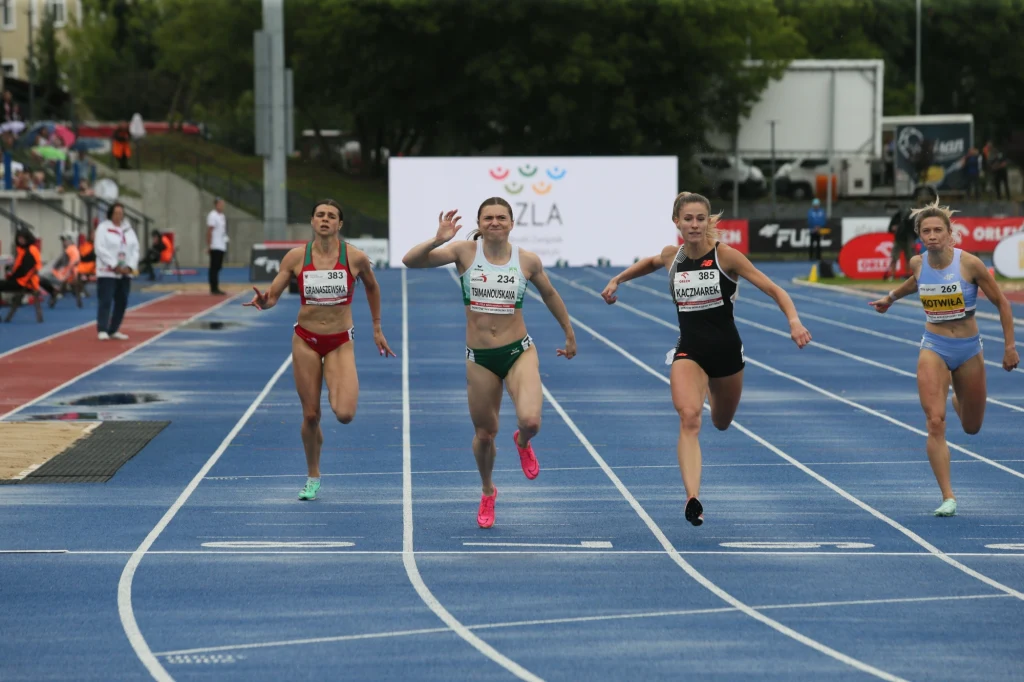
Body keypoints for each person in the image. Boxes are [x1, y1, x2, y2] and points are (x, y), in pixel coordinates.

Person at [601, 192, 811, 526]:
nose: (694, 225)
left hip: (727, 354)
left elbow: (774, 290)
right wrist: (618, 279)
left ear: (709, 221)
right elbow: (650, 262)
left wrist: (794, 321)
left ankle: (713, 390)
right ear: (677, 222)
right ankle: (693, 497)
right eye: (688, 219)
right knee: (689, 418)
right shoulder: (673, 256)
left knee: (721, 422)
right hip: (690, 352)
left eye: (701, 218)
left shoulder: (726, 257)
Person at [401, 197, 577, 529]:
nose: (494, 222)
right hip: (480, 358)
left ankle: (522, 441)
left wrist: (569, 333)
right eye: (488, 218)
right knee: (484, 434)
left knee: (532, 421)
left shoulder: (527, 261)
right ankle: (487, 490)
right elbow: (410, 261)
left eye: (501, 218)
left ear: (512, 223)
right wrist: (439, 239)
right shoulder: (464, 253)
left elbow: (551, 294)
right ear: (480, 224)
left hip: (518, 351)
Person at [869, 198, 1019, 517]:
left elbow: (1003, 304)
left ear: (951, 235)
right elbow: (917, 281)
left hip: (968, 350)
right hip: (934, 347)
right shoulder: (917, 263)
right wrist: (892, 298)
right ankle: (948, 496)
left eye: (939, 230)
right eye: (927, 231)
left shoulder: (970, 265)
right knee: (934, 422)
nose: (933, 235)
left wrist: (1009, 346)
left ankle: (957, 400)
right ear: (920, 236)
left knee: (971, 427)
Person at [244, 199, 396, 501]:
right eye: (320, 215)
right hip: (306, 341)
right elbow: (274, 293)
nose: (325, 220)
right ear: (312, 221)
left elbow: (372, 287)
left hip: (339, 341)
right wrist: (265, 301)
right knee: (311, 415)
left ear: (340, 224)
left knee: (345, 413)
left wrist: (377, 327)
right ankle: (313, 475)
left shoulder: (355, 257)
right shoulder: (296, 258)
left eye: (332, 216)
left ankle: (333, 384)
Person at [94, 202, 140, 340]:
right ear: (110, 214)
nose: (119, 216)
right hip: (108, 272)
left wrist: (130, 266)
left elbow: (135, 249)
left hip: (125, 272)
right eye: (116, 213)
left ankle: (114, 329)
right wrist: (114, 265)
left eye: (121, 213)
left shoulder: (128, 229)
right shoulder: (103, 228)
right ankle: (102, 328)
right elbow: (100, 249)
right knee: (106, 300)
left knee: (122, 301)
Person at [0, 228, 44, 323]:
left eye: (23, 238)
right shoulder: (24, 250)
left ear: (27, 238)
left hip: (25, 283)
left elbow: (24, 270)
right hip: (23, 281)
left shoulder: (30, 251)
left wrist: (11, 277)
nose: (21, 240)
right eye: (19, 238)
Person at [206, 197, 228, 295]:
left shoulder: (222, 216)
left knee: (218, 266)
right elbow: (210, 230)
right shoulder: (212, 215)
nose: (222, 206)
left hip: (222, 244)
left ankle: (216, 286)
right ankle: (213, 287)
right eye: (220, 204)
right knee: (214, 267)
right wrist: (209, 244)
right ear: (216, 204)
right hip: (215, 244)